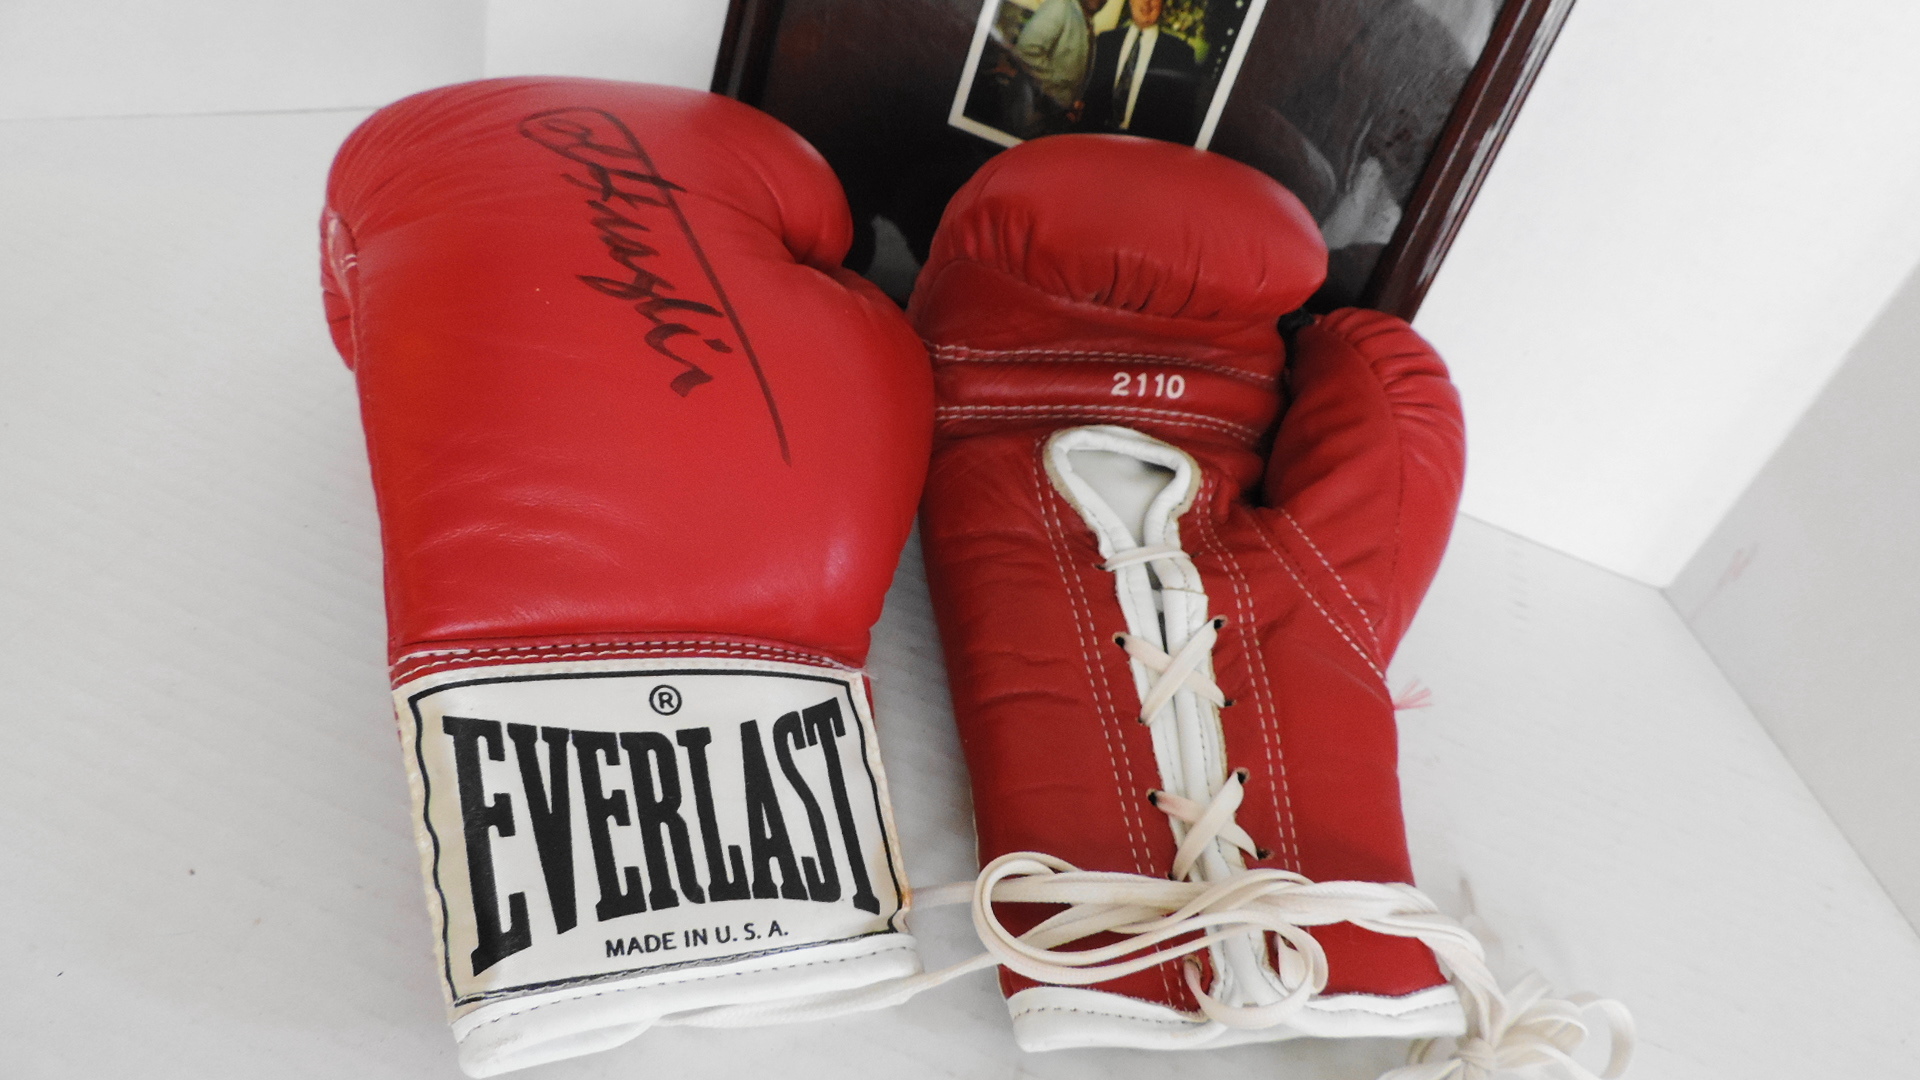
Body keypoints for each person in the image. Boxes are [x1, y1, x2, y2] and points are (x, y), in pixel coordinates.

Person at [1079, 0, 1202, 143]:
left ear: (1163, 4)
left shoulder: (1180, 54)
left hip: (1144, 148)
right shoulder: (1105, 42)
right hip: (1096, 140)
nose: (1146, 4)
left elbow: (1182, 120)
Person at [1013, 0, 1105, 121]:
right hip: (1032, 113)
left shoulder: (1085, 22)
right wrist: (1056, 95)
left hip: (1052, 117)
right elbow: (1027, 51)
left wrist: (1070, 104)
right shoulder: (1060, 6)